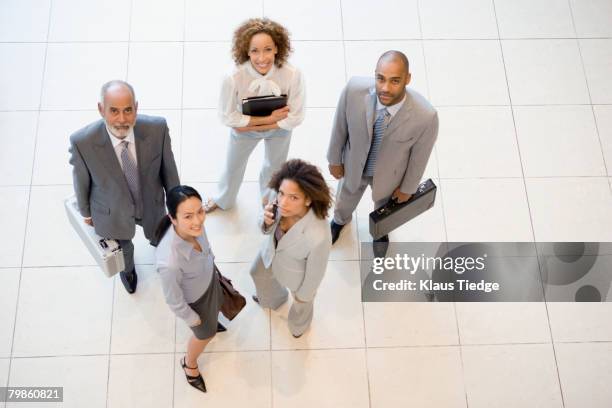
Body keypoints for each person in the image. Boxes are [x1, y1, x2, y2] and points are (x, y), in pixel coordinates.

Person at [69, 80, 180, 294]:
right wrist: (86, 213)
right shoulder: (82, 142)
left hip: (151, 204)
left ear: (136, 108)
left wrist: (176, 206)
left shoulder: (157, 129)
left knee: (161, 236)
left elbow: (169, 171)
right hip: (112, 212)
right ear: (101, 109)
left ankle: (163, 253)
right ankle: (128, 272)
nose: (122, 119)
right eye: (114, 111)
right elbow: (81, 181)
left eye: (128, 110)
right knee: (124, 251)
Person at [327, 50, 438, 245]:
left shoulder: (426, 117)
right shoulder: (353, 90)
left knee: (384, 209)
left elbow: (419, 159)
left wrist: (407, 189)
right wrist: (334, 159)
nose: (385, 88)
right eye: (380, 79)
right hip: (353, 166)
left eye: (395, 81)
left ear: (408, 79)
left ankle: (381, 233)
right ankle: (339, 220)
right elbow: (340, 126)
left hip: (390, 177)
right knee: (345, 198)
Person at [205, 18, 305, 213]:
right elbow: (227, 117)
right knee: (233, 166)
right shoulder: (232, 77)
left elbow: (296, 117)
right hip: (250, 130)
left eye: (268, 49)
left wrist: (251, 125)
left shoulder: (293, 74)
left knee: (274, 168)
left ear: (277, 48)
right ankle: (223, 198)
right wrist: (269, 120)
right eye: (254, 51)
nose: (262, 58)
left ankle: (269, 201)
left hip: (278, 130)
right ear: (246, 52)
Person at [250, 159, 332, 338]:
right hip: (269, 254)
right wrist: (266, 222)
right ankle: (272, 299)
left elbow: (315, 273)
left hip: (296, 275)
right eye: (281, 193)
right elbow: (263, 224)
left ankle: (298, 327)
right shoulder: (277, 200)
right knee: (256, 272)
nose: (283, 203)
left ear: (308, 199)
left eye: (293, 197)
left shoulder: (319, 235)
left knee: (303, 304)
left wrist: (304, 295)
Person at [154, 185, 224, 393]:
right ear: (173, 219)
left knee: (216, 308)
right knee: (204, 335)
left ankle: (212, 320)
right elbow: (174, 301)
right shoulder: (169, 262)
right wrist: (193, 319)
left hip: (209, 281)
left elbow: (206, 251)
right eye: (187, 216)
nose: (197, 221)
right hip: (196, 302)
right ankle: (189, 364)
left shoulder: (197, 227)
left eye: (200, 212)